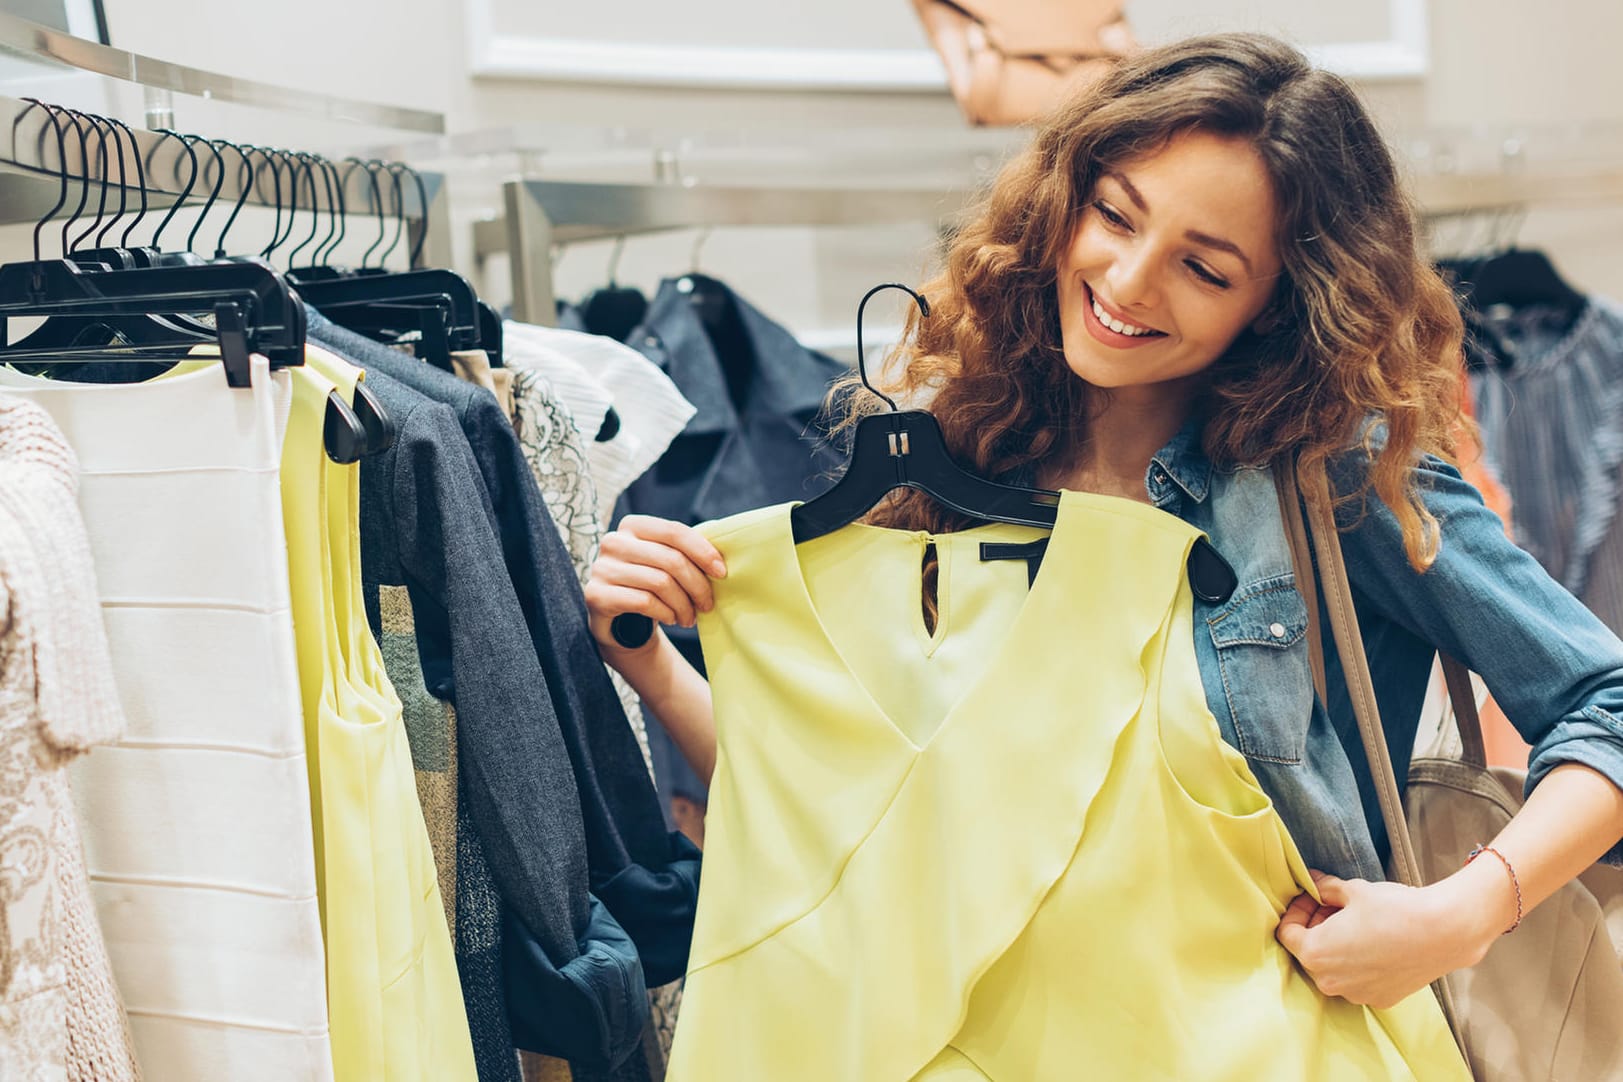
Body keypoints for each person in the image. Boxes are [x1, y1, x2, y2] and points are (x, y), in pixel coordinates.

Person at [584, 30, 1623, 1065]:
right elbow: (857, 815)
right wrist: (652, 660)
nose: (1126, 281)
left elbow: (1607, 702)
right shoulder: (961, 455)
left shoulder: (1329, 475)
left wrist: (1459, 915)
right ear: (1065, 196)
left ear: (1278, 301)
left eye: (1203, 268)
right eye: (1114, 214)